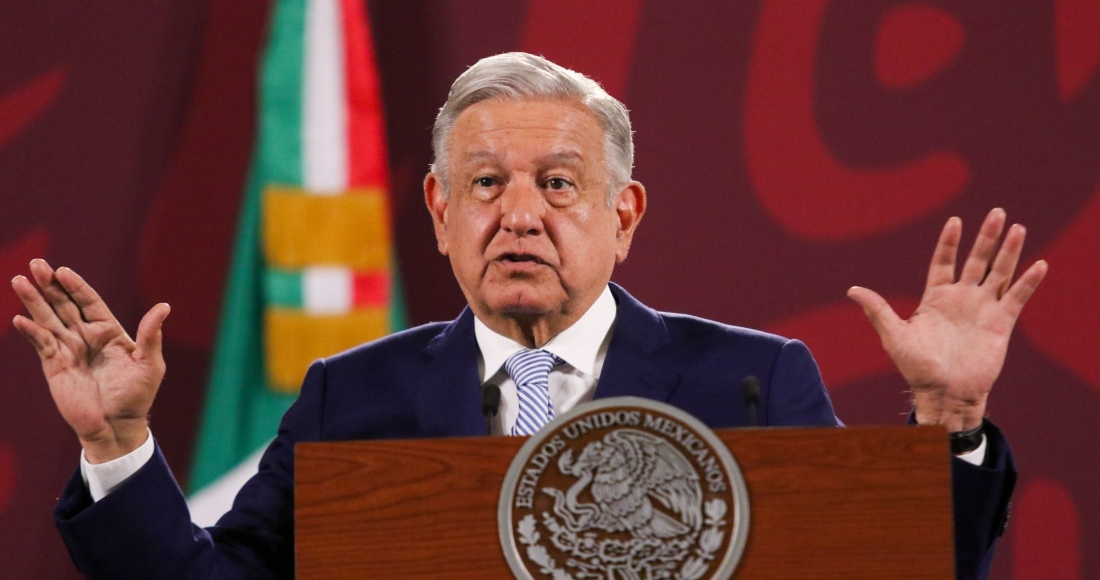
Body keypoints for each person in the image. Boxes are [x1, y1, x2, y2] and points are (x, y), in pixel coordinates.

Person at [11, 52, 1046, 580]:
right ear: (439, 211)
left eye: (557, 184)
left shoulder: (752, 380)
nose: (518, 216)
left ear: (621, 214)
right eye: (486, 183)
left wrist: (947, 422)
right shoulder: (351, 397)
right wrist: (117, 443)